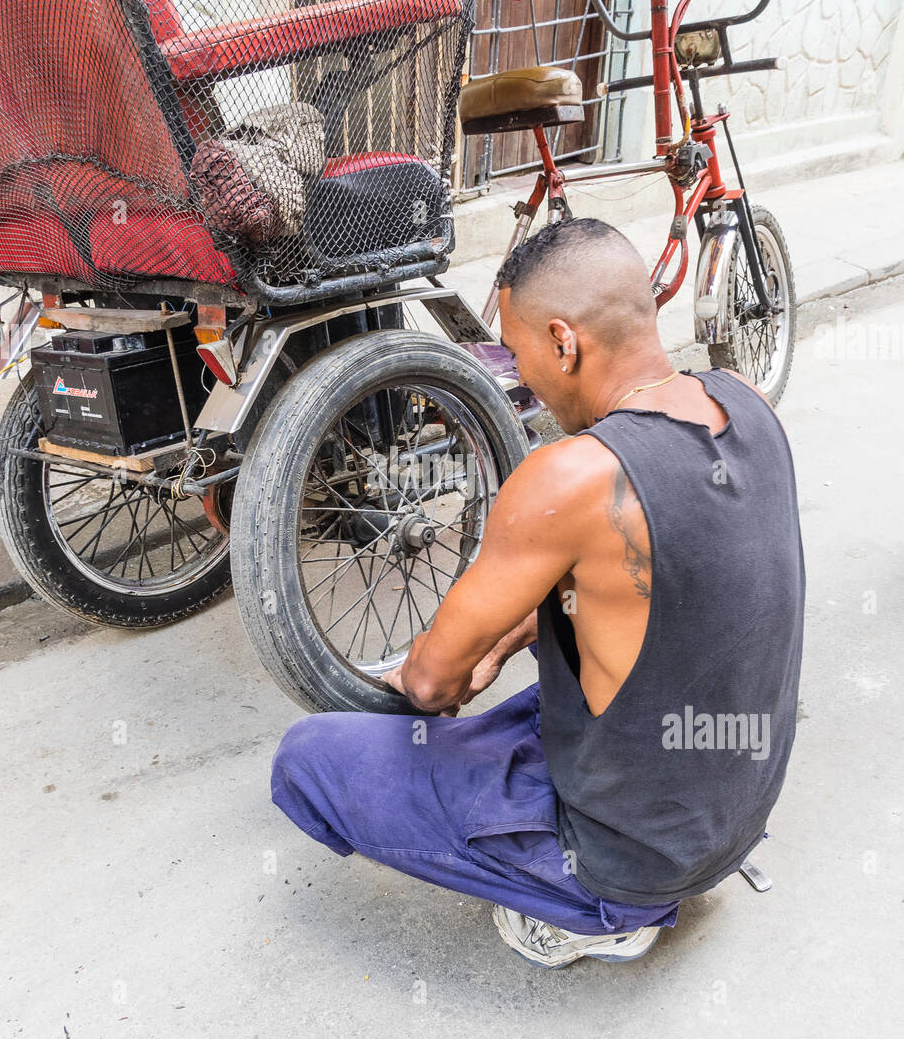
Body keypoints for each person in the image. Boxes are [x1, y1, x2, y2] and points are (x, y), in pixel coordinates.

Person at [271, 217, 806, 969]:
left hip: (634, 863)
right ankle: (635, 858)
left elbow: (429, 683)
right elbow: (670, 592)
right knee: (542, 699)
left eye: (519, 357)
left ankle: (599, 915)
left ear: (563, 341)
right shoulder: (746, 401)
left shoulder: (572, 476)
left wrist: (448, 665)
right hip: (733, 806)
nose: (523, 380)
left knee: (311, 756)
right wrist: (518, 628)